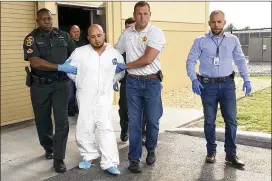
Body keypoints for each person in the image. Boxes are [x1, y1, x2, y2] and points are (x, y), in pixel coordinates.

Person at [186, 10, 252, 167]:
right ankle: (211, 152)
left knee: (231, 120)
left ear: (224, 22)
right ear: (209, 23)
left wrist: (247, 79)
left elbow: (240, 60)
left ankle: (231, 155)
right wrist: (194, 79)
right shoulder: (200, 41)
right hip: (207, 86)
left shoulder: (233, 40)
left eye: (219, 22)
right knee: (209, 120)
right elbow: (190, 60)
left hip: (227, 85)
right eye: (213, 22)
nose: (216, 25)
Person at [23, 8, 76, 173]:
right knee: (42, 120)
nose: (47, 21)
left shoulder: (64, 36)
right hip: (40, 86)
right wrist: (59, 66)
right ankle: (49, 147)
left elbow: (76, 54)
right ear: (37, 21)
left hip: (61, 85)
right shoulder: (31, 39)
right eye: (43, 19)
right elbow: (35, 62)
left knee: (62, 121)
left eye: (49, 18)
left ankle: (59, 158)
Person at [67, 24, 125, 175]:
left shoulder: (114, 54)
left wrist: (113, 80)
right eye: (92, 37)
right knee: (85, 125)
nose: (96, 39)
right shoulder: (80, 52)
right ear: (88, 38)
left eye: (99, 36)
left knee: (106, 128)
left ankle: (110, 162)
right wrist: (82, 83)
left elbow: (121, 72)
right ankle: (88, 156)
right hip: (85, 95)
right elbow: (70, 71)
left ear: (103, 35)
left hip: (104, 97)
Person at [115, 1, 166, 173]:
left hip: (151, 82)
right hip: (132, 83)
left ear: (149, 15)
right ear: (134, 14)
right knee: (134, 123)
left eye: (145, 13)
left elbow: (147, 59)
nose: (142, 17)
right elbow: (116, 52)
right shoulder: (127, 33)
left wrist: (126, 65)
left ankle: (151, 149)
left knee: (152, 120)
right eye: (139, 13)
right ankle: (134, 159)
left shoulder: (156, 32)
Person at [115, 17, 147, 144]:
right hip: (126, 80)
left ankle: (143, 133)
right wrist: (114, 80)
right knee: (124, 108)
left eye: (132, 27)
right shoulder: (121, 44)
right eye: (127, 28)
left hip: (141, 79)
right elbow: (114, 62)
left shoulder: (142, 43)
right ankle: (124, 129)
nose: (130, 30)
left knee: (143, 108)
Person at [68, 25, 88, 117]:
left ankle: (80, 109)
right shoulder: (67, 43)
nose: (76, 33)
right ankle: (71, 110)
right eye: (74, 31)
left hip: (82, 72)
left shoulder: (84, 43)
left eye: (78, 31)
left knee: (81, 92)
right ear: (70, 32)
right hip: (71, 72)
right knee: (71, 93)